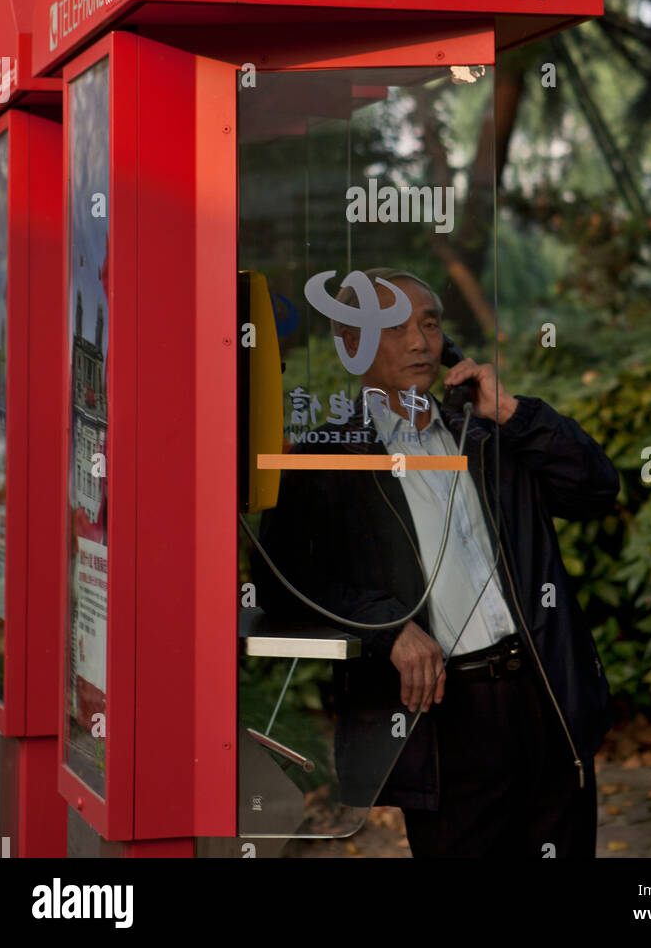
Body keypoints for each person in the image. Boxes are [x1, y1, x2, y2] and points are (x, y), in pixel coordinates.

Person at [252, 267, 619, 859]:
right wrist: (386, 628)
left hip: (544, 695)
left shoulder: (489, 435)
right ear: (352, 344)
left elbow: (597, 490)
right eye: (395, 328)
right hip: (446, 713)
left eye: (429, 324)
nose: (420, 342)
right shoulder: (327, 458)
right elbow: (282, 580)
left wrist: (514, 413)